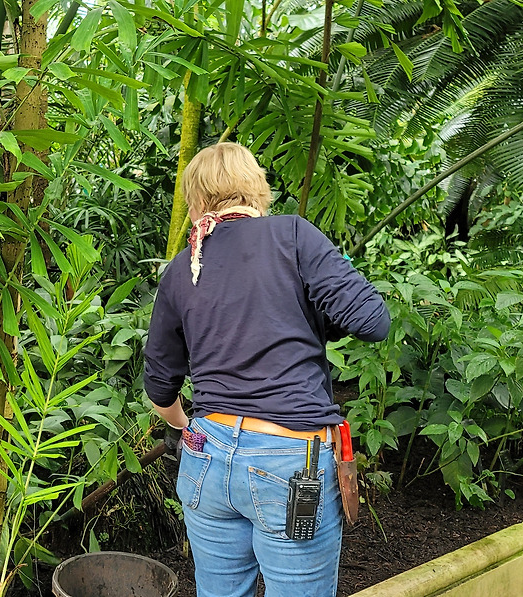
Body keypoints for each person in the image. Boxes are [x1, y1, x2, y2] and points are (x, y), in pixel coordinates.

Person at [144, 142, 390, 597]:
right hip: (290, 460)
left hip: (207, 457)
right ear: (256, 189)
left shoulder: (182, 268)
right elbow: (372, 322)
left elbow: (160, 387)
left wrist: (185, 427)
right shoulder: (292, 235)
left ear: (197, 201)